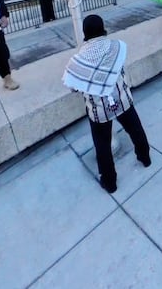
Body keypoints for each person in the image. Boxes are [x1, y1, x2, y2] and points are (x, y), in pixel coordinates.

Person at [61, 14, 151, 193]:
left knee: (102, 145)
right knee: (135, 129)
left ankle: (110, 182)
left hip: (98, 110)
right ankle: (145, 158)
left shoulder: (78, 60)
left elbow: (73, 86)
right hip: (122, 100)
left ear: (85, 32)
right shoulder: (117, 47)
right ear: (103, 28)